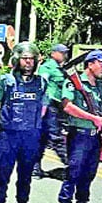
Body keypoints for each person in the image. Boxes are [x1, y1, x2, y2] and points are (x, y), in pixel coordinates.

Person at [0, 42, 49, 203]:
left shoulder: (41, 82)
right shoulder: (5, 80)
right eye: (25, 59)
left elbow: (43, 107)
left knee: (25, 176)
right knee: (3, 176)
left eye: (32, 59)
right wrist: (5, 123)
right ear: (17, 59)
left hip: (31, 136)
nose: (29, 62)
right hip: (9, 136)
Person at [57, 50, 102, 203]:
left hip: (94, 137)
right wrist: (92, 118)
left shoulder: (99, 88)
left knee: (89, 174)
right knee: (73, 174)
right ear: (90, 64)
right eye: (101, 64)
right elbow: (67, 106)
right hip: (79, 134)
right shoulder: (74, 82)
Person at [34, 43, 69, 177]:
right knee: (55, 136)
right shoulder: (47, 67)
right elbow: (42, 86)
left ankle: (35, 168)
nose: (65, 55)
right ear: (54, 53)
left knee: (43, 138)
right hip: (48, 106)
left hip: (57, 107)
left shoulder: (60, 69)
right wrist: (42, 106)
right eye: (62, 53)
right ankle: (70, 165)